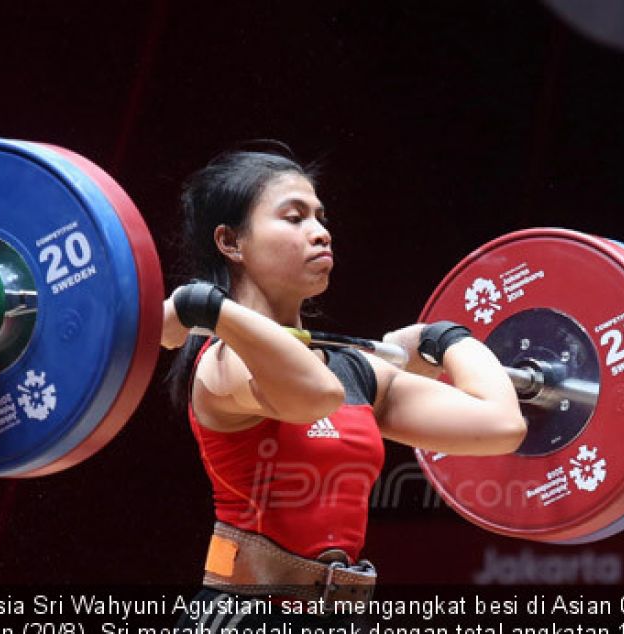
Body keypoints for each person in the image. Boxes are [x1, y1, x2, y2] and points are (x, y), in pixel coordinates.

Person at [159, 146, 525, 624]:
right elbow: (316, 396)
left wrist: (443, 338)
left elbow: (501, 425)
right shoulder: (225, 364)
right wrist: (212, 311)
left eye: (321, 217)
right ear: (231, 243)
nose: (321, 232)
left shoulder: (355, 371)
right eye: (294, 218)